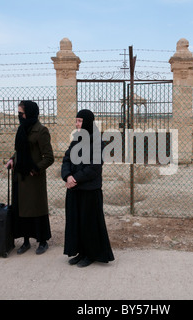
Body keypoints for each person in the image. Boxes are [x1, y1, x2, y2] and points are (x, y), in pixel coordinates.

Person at [61, 109, 114, 267]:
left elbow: (94, 167)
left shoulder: (98, 142)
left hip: (90, 190)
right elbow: (66, 159)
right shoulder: (76, 140)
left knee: (88, 223)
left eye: (80, 121)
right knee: (76, 222)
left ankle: (91, 254)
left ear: (88, 122)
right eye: (76, 121)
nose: (76, 124)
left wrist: (75, 178)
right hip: (74, 189)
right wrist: (67, 176)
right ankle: (80, 252)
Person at [6, 100, 54, 255]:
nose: (20, 116)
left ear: (30, 113)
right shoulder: (21, 129)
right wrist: (12, 159)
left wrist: (36, 169)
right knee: (22, 210)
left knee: (37, 209)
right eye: (19, 113)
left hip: (34, 179)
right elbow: (20, 151)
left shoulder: (41, 131)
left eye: (22, 113)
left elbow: (49, 157)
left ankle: (42, 241)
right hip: (20, 177)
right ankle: (25, 241)